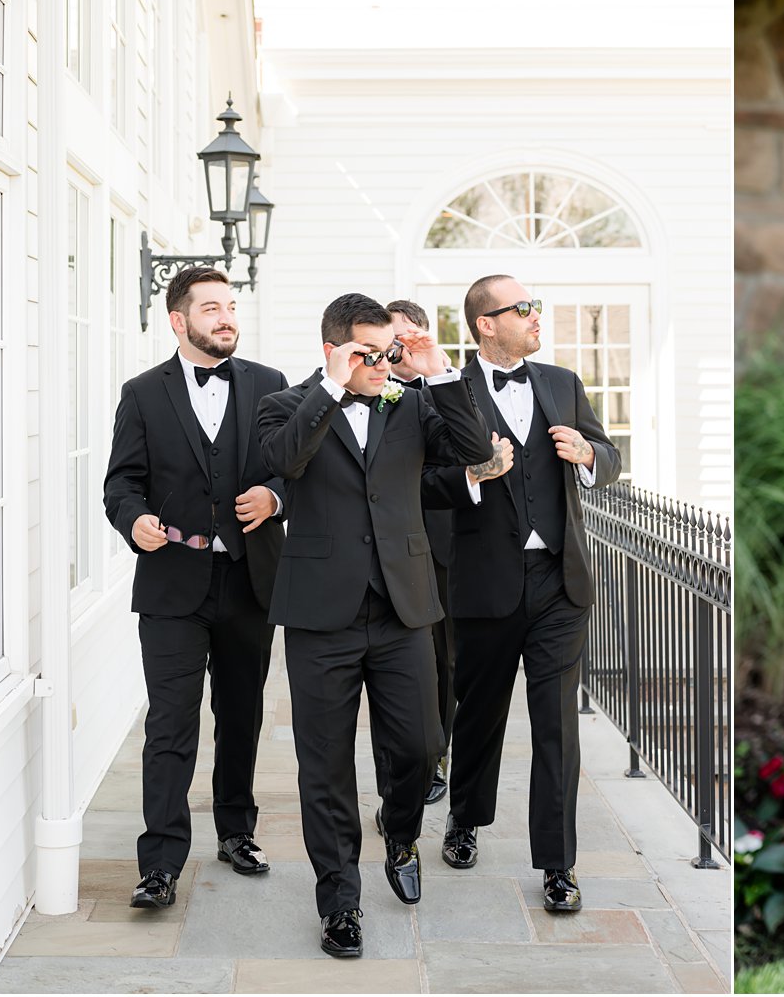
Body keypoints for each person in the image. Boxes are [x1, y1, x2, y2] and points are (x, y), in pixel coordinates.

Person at [257, 293, 492, 958]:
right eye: (368, 353)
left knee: (419, 746)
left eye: (387, 351)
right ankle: (339, 902)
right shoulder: (286, 405)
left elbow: (473, 451)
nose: (381, 363)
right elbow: (282, 460)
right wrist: (332, 385)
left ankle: (402, 829)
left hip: (403, 607)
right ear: (334, 349)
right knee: (324, 765)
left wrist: (438, 371)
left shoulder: (412, 404)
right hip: (319, 615)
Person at [422, 275, 620, 912]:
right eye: (523, 308)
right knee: (478, 717)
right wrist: (479, 474)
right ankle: (464, 818)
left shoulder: (561, 383)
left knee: (558, 728)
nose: (538, 316)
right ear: (486, 323)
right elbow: (427, 480)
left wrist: (588, 453)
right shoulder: (453, 392)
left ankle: (558, 865)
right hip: (483, 583)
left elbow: (612, 455)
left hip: (560, 582)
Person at [102, 265, 287, 908]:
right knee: (170, 725)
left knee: (241, 717)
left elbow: (293, 469)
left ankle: (237, 833)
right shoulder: (142, 393)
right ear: (179, 321)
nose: (226, 317)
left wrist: (273, 495)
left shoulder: (269, 385)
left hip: (248, 581)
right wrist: (135, 521)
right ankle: (159, 862)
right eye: (211, 308)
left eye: (230, 306)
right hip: (171, 584)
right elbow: (119, 484)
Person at [382, 298, 513, 803]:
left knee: (448, 659)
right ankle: (409, 765)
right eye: (392, 339)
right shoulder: (365, 384)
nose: (400, 349)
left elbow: (475, 451)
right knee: (406, 662)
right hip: (391, 545)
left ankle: (440, 754)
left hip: (447, 538)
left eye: (409, 337)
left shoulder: (449, 386)